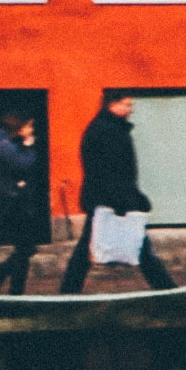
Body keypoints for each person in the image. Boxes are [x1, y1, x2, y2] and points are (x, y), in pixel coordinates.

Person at [64, 94, 150, 295]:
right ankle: (168, 290)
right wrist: (125, 200)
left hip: (104, 198)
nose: (131, 109)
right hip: (108, 199)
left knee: (87, 247)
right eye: (127, 104)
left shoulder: (107, 128)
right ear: (113, 104)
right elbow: (110, 171)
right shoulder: (108, 131)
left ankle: (68, 291)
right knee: (142, 248)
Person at [0, 106, 52, 294]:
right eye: (29, 126)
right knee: (24, 250)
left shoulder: (5, 143)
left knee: (24, 250)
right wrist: (29, 148)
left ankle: (13, 292)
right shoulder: (4, 145)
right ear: (19, 127)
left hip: (16, 201)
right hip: (13, 203)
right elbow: (24, 164)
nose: (31, 130)